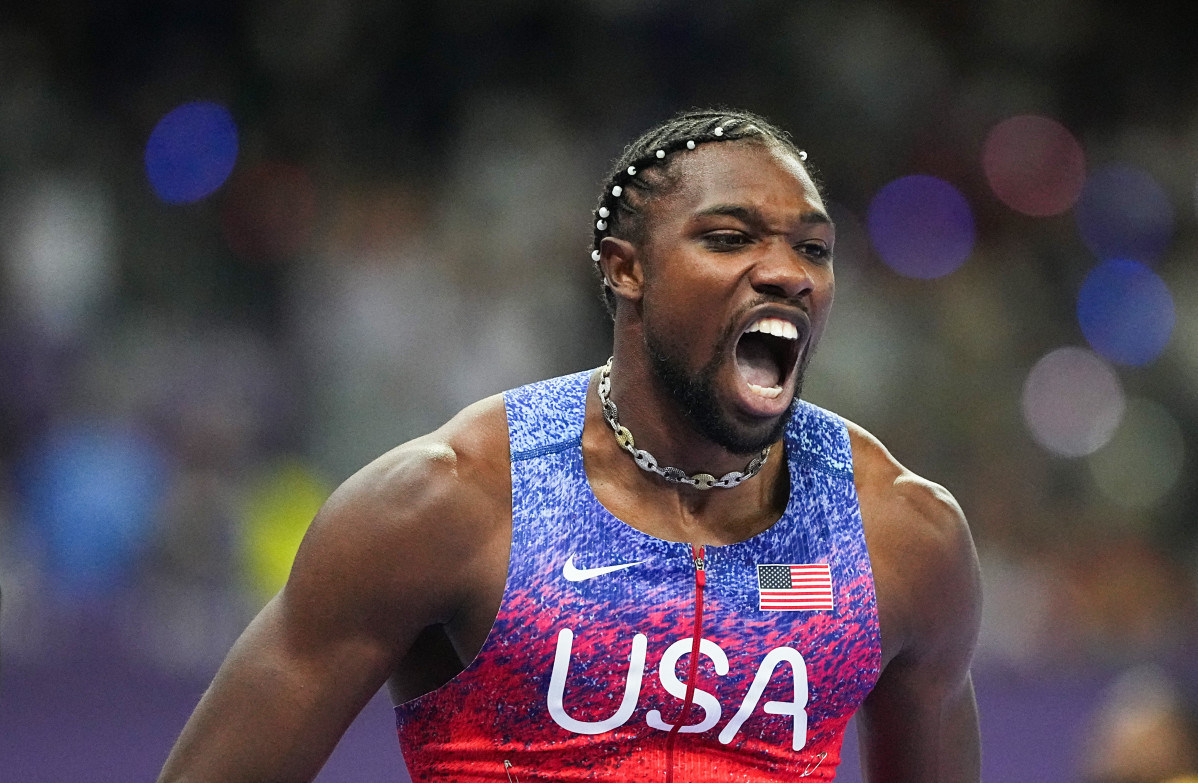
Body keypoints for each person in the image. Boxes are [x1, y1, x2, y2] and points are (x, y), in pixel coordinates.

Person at [158, 108, 982, 782]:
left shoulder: (900, 534)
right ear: (626, 270)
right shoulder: (451, 501)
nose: (787, 272)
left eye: (812, 247)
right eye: (730, 238)